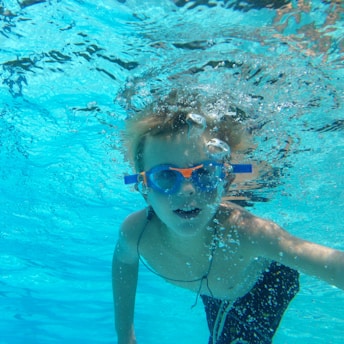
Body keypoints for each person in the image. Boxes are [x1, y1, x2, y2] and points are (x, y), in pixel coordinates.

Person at [112, 90, 344, 344]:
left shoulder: (245, 233)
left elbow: (326, 262)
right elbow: (124, 262)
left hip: (265, 282)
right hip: (217, 289)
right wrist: (126, 336)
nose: (187, 190)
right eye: (165, 177)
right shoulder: (136, 232)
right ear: (144, 187)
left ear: (227, 181)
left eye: (206, 174)